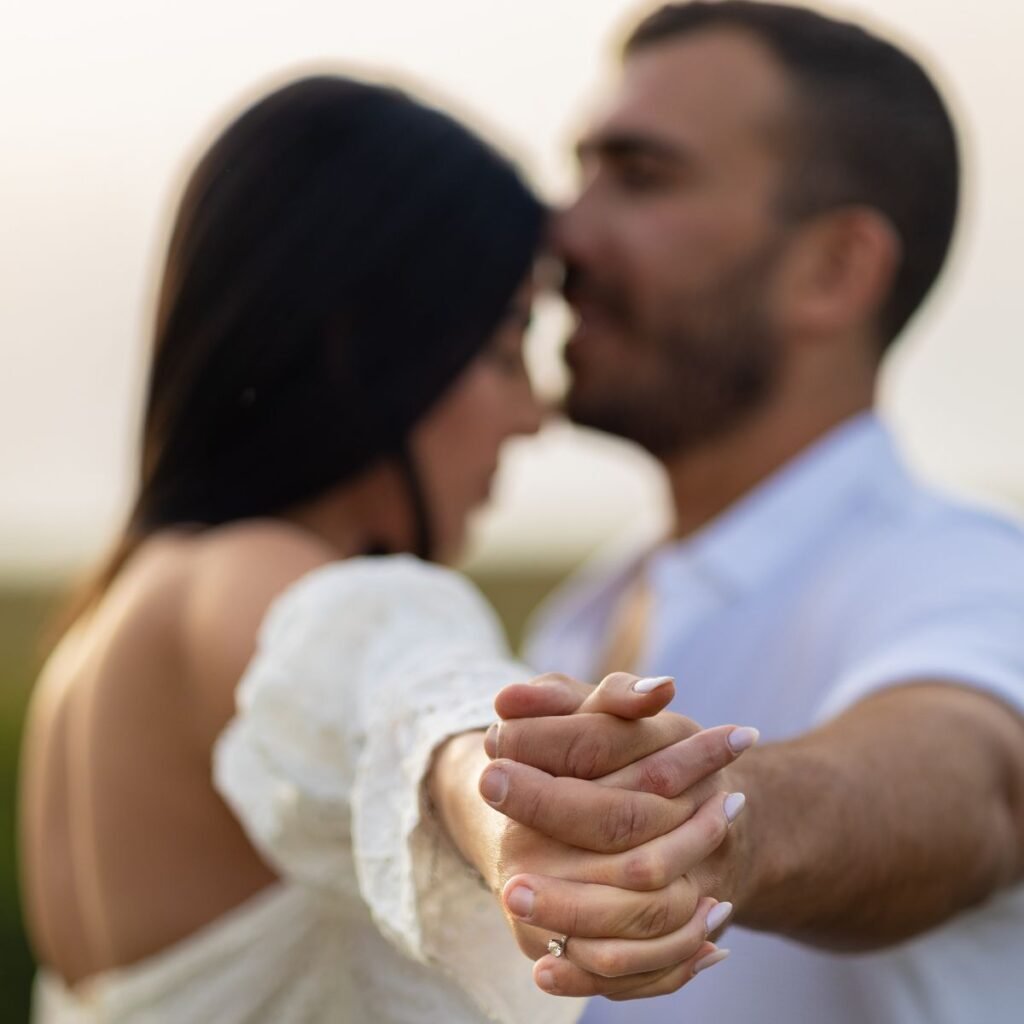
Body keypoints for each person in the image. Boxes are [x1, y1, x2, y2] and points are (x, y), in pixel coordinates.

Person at [19, 73, 756, 1024]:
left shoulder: (108, 629)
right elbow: (389, 685)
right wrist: (503, 800)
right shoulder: (246, 581)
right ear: (360, 346)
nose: (534, 414)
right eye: (504, 347)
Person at [479, 3, 1024, 1022]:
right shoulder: (581, 610)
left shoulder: (967, 572)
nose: (562, 229)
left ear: (834, 269)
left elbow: (973, 784)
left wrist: (719, 824)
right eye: (582, 169)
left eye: (639, 178)